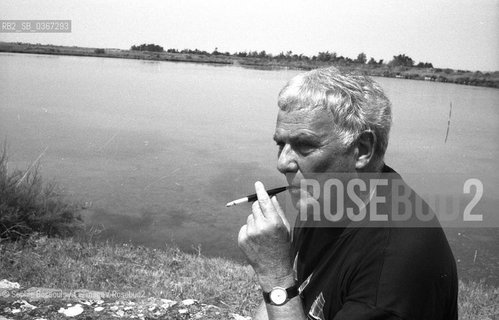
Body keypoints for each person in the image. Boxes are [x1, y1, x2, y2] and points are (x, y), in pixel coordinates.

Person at [237, 67, 458, 319]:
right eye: (281, 144)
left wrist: (275, 275)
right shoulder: (323, 202)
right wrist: (281, 275)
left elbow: (282, 292)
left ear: (362, 149)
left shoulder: (393, 265)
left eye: (304, 145)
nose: (282, 163)